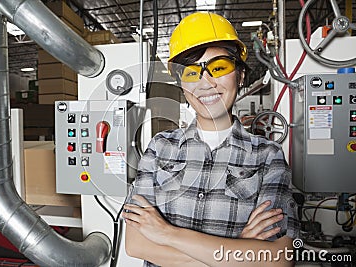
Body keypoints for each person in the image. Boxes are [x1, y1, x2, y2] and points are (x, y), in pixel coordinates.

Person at [123, 12, 299, 267]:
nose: (206, 83)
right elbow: (136, 244)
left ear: (239, 76)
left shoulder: (267, 156)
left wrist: (166, 233)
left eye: (219, 68)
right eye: (192, 73)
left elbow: (279, 258)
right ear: (182, 86)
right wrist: (237, 249)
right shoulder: (160, 148)